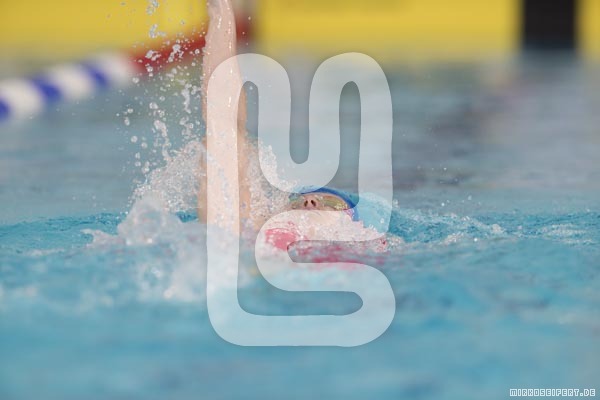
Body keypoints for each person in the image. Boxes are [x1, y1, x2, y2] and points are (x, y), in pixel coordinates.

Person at [198, 0, 388, 251]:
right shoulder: (239, 231)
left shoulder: (363, 247)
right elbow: (224, 124)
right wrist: (221, 11)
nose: (309, 202)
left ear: (353, 225)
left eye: (330, 204)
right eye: (297, 202)